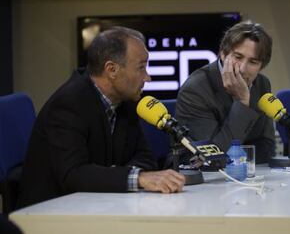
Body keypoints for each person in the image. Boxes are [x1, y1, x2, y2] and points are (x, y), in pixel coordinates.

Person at [17, 27, 185, 208]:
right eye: (141, 68)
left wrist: (117, 176)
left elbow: (145, 156)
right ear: (111, 69)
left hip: (102, 204)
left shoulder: (126, 99)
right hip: (52, 213)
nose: (148, 77)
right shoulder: (68, 105)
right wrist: (138, 178)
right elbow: (73, 174)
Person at [175, 21, 275, 164]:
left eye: (253, 62)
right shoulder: (195, 89)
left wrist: (240, 159)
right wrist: (242, 102)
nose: (242, 68)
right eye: (238, 57)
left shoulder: (262, 84)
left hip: (247, 174)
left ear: (261, 66)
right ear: (223, 54)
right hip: (201, 178)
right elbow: (214, 158)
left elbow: (266, 147)